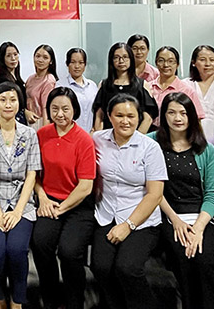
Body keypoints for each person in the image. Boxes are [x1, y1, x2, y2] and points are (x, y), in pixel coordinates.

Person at [147, 93, 214, 309]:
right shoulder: (151, 142)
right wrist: (175, 220)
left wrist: (199, 228)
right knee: (182, 257)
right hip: (167, 212)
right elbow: (152, 190)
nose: (178, 118)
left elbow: (213, 193)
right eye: (171, 112)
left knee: (204, 259)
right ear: (163, 116)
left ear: (192, 116)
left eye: (183, 113)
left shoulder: (206, 148)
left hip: (202, 214)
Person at [90, 93, 167, 309]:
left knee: (127, 268)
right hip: (106, 215)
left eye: (131, 116)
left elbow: (155, 194)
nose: (125, 121)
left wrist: (128, 225)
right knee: (101, 267)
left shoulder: (149, 147)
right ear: (109, 116)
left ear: (139, 117)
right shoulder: (98, 139)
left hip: (141, 219)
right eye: (119, 115)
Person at [0, 82, 41, 309]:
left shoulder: (29, 134)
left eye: (13, 100)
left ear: (19, 103)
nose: (8, 104)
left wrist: (18, 211)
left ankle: (17, 300)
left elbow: (31, 175)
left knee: (17, 250)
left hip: (22, 201)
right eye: (3, 100)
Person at [32, 87, 96, 309]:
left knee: (69, 252)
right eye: (55, 109)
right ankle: (50, 299)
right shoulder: (41, 135)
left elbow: (86, 186)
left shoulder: (84, 140)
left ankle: (75, 301)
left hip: (78, 205)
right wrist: (42, 198)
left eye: (65, 109)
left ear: (75, 110)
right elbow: (34, 174)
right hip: (49, 200)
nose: (60, 114)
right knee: (40, 243)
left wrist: (61, 208)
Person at [93, 42, 158, 133]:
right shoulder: (105, 85)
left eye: (125, 57)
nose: (121, 61)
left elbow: (148, 117)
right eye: (116, 57)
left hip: (135, 136)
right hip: (109, 136)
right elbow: (99, 115)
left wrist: (137, 137)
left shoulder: (142, 84)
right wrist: (99, 136)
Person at [148, 46, 204, 122]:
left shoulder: (187, 90)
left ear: (177, 64)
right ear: (156, 63)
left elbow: (197, 119)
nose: (166, 65)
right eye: (161, 60)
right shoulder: (147, 87)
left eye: (171, 61)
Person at [55, 47, 97, 133]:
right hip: (68, 133)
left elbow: (97, 111)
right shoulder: (61, 85)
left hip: (90, 134)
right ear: (67, 64)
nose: (77, 66)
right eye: (73, 62)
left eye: (81, 63)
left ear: (85, 65)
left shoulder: (92, 86)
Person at [24, 44, 58, 129]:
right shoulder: (30, 78)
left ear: (51, 61)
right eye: (38, 56)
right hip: (27, 120)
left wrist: (45, 130)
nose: (40, 60)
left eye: (45, 57)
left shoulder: (49, 80)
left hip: (40, 121)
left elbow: (46, 107)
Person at [0, 41, 28, 123]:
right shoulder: (2, 80)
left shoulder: (17, 78)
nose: (13, 58)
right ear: (3, 59)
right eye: (8, 56)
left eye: (15, 54)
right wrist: (25, 111)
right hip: (10, 119)